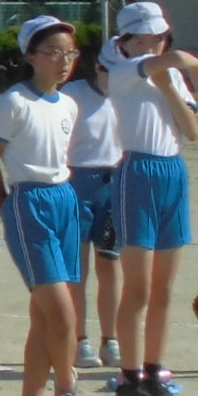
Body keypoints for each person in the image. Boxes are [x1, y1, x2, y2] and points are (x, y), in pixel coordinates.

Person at [105, 2, 198, 396]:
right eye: (141, 39)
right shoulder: (123, 70)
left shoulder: (168, 74)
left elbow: (192, 130)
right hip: (138, 172)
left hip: (172, 171)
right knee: (137, 287)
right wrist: (192, 63)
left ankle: (154, 373)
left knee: (163, 288)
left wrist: (172, 85)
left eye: (157, 38)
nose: (151, 46)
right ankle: (129, 379)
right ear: (125, 42)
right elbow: (170, 60)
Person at [0, 17, 88, 396]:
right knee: (62, 314)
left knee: (44, 316)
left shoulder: (68, 104)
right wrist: (3, 201)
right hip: (30, 203)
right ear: (30, 56)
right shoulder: (14, 102)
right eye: (53, 53)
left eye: (70, 53)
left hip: (64, 200)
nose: (64, 61)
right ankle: (68, 387)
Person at [63, 51, 123, 370]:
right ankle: (79, 339)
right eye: (111, 71)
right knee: (78, 265)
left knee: (110, 263)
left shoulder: (128, 94)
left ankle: (111, 339)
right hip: (76, 182)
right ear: (98, 67)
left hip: (113, 184)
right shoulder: (73, 94)